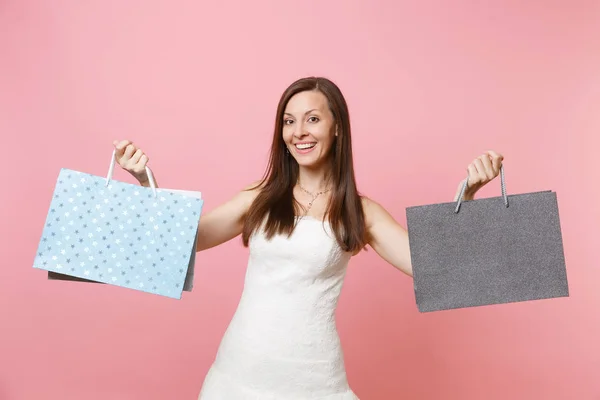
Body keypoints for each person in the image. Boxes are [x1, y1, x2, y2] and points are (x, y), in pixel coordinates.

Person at [113, 76, 503, 399]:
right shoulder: (259, 198)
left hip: (314, 382)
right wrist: (146, 182)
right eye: (288, 121)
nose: (298, 132)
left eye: (312, 119)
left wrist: (466, 197)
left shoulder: (360, 212)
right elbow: (186, 239)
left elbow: (436, 270)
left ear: (337, 127)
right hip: (236, 374)